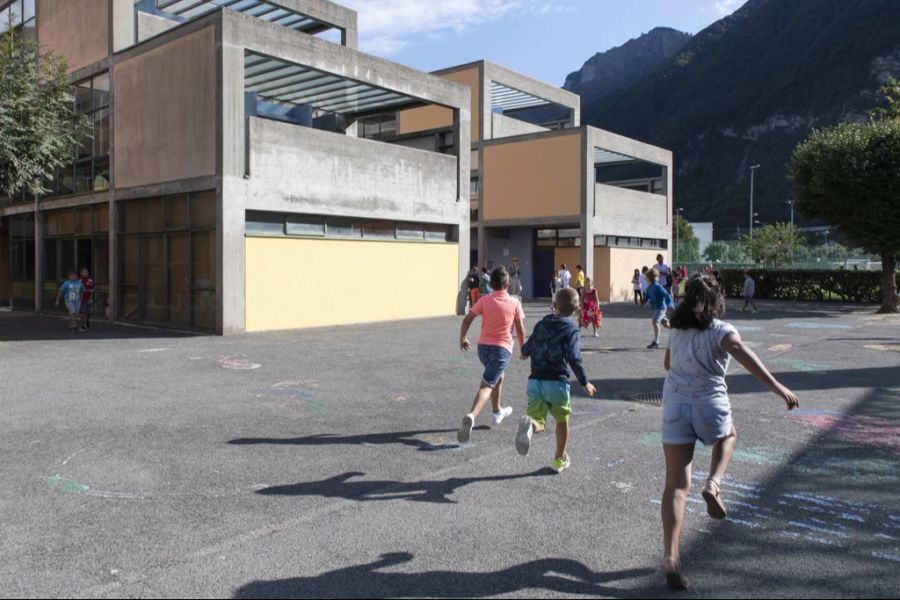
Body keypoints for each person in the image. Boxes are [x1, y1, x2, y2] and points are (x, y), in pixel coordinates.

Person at [659, 273, 800, 590]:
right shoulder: (723, 332)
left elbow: (668, 365)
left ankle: (670, 556)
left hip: (675, 408)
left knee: (675, 485)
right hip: (711, 405)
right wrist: (779, 388)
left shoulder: (676, 330)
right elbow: (750, 361)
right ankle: (714, 482)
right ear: (715, 302)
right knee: (730, 434)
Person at [516, 288, 596, 473]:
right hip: (557, 382)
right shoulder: (571, 329)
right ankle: (560, 458)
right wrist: (585, 382)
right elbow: (574, 358)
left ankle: (531, 426)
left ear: (554, 305)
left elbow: (529, 345)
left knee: (537, 419)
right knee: (562, 421)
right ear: (576, 307)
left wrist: (524, 353)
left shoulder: (542, 324)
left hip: (535, 381)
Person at [457, 266, 526, 443]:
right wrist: (523, 348)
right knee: (487, 384)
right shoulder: (514, 302)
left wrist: (463, 338)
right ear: (507, 284)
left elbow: (467, 319)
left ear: (491, 284)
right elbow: (520, 329)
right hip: (501, 350)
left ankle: (497, 412)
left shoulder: (485, 300)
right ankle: (472, 416)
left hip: (483, 349)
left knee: (498, 376)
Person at [646, 268, 673, 349]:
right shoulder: (650, 287)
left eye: (646, 277)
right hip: (656, 308)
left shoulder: (658, 286)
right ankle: (678, 330)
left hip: (661, 308)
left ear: (650, 278)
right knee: (666, 324)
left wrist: (670, 304)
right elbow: (647, 296)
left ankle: (656, 342)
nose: (646, 279)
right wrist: (646, 300)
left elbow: (666, 295)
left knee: (655, 322)